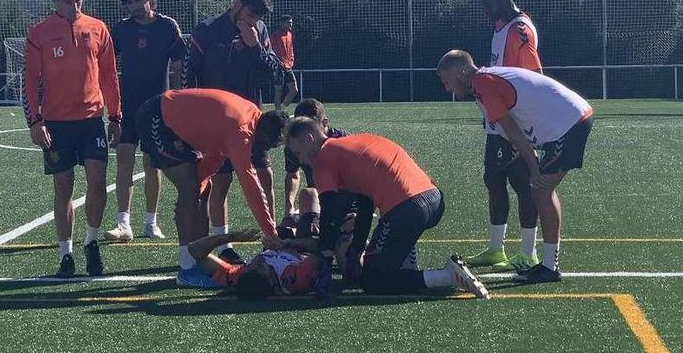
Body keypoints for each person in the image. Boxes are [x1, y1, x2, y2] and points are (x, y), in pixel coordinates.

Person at [283, 118, 490, 298]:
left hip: (407, 209)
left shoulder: (323, 159)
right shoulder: (354, 142)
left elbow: (329, 213)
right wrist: (355, 250)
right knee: (390, 246)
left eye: (298, 152)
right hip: (434, 199)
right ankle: (406, 263)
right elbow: (365, 205)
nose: (301, 160)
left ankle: (446, 276)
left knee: (373, 280)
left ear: (309, 138)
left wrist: (326, 260)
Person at [437, 49, 594, 283]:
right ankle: (548, 264)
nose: (447, 88)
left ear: (461, 71)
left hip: (569, 123)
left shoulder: (482, 83)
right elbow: (510, 129)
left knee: (541, 189)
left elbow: (511, 128)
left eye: (447, 80)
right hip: (566, 122)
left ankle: (550, 268)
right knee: (540, 190)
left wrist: (532, 165)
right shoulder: (483, 83)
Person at [134, 88, 287, 288]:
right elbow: (251, 185)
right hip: (157, 117)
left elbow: (216, 153)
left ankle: (198, 255)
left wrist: (199, 185)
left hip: (170, 120)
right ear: (265, 135)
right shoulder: (242, 131)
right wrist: (271, 233)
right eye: (270, 145)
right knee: (189, 188)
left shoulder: (252, 117)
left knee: (201, 189)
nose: (266, 150)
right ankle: (187, 267)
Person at [23, 0, 122, 278]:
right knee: (63, 188)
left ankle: (91, 243)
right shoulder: (40, 33)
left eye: (79, 0)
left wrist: (116, 115)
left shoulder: (97, 28)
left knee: (97, 182)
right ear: (55, 0)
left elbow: (109, 75)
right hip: (56, 124)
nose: (75, 7)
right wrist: (35, 121)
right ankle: (65, 254)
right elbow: (30, 80)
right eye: (68, 1)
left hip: (91, 120)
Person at [184, 0, 284, 264]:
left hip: (252, 121)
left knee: (264, 177)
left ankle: (271, 238)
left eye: (257, 17)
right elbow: (190, 75)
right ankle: (222, 242)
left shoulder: (260, 31)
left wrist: (254, 48)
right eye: (250, 14)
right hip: (215, 123)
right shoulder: (207, 30)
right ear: (237, 4)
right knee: (222, 181)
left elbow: (274, 72)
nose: (252, 21)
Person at [468, 0, 544, 272]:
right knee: (493, 180)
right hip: (496, 121)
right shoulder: (500, 29)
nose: (484, 9)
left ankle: (529, 251)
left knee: (524, 185)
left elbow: (533, 79)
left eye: (486, 2)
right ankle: (496, 248)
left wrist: (522, 129)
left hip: (515, 124)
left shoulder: (520, 30)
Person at [105, 0, 185, 242]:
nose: (136, 5)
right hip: (128, 106)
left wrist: (179, 101)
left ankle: (151, 222)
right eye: (130, 2)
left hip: (158, 107)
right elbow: (107, 68)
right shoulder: (120, 30)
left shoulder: (167, 26)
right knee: (124, 161)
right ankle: (123, 223)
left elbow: (178, 67)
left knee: (153, 164)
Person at [189, 189, 323, 300]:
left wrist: (230, 237)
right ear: (271, 279)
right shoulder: (295, 278)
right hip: (302, 247)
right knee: (309, 193)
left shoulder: (241, 277)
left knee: (287, 223)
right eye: (260, 266)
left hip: (278, 245)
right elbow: (321, 247)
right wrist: (288, 243)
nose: (257, 261)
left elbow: (194, 250)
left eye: (250, 267)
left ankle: (291, 220)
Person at [277, 99, 348, 238]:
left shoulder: (344, 142)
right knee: (285, 230)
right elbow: (292, 175)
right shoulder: (295, 144)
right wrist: (289, 208)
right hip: (317, 200)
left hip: (344, 203)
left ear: (324, 123)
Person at [270, 15, 298, 110]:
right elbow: (271, 50)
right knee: (278, 90)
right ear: (282, 23)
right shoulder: (275, 35)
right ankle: (278, 112)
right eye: (288, 22)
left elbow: (291, 49)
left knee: (294, 90)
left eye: (291, 23)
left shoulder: (289, 34)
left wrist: (292, 60)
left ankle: (282, 107)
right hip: (278, 66)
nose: (290, 25)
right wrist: (276, 62)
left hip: (288, 66)